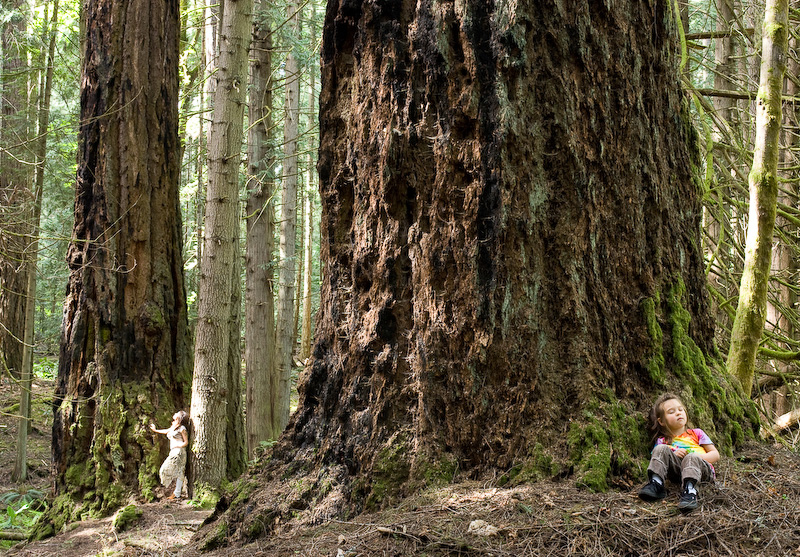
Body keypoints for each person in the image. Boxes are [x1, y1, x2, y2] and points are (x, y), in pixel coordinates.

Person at [638, 393, 719, 511]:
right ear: (661, 421)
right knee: (660, 449)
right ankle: (656, 483)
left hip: (701, 471)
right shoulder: (663, 441)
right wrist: (674, 455)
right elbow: (658, 458)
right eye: (671, 412)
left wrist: (697, 456)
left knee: (691, 457)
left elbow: (715, 455)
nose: (678, 413)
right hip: (678, 472)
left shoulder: (696, 433)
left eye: (681, 409)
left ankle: (690, 491)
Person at [150, 410, 189, 500]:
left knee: (174, 471)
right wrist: (155, 430)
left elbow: (186, 442)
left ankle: (177, 493)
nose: (175, 413)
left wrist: (178, 445)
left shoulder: (182, 428)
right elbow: (166, 431)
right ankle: (177, 493)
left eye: (177, 413)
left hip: (179, 452)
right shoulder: (174, 426)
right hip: (174, 452)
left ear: (180, 417)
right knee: (177, 472)